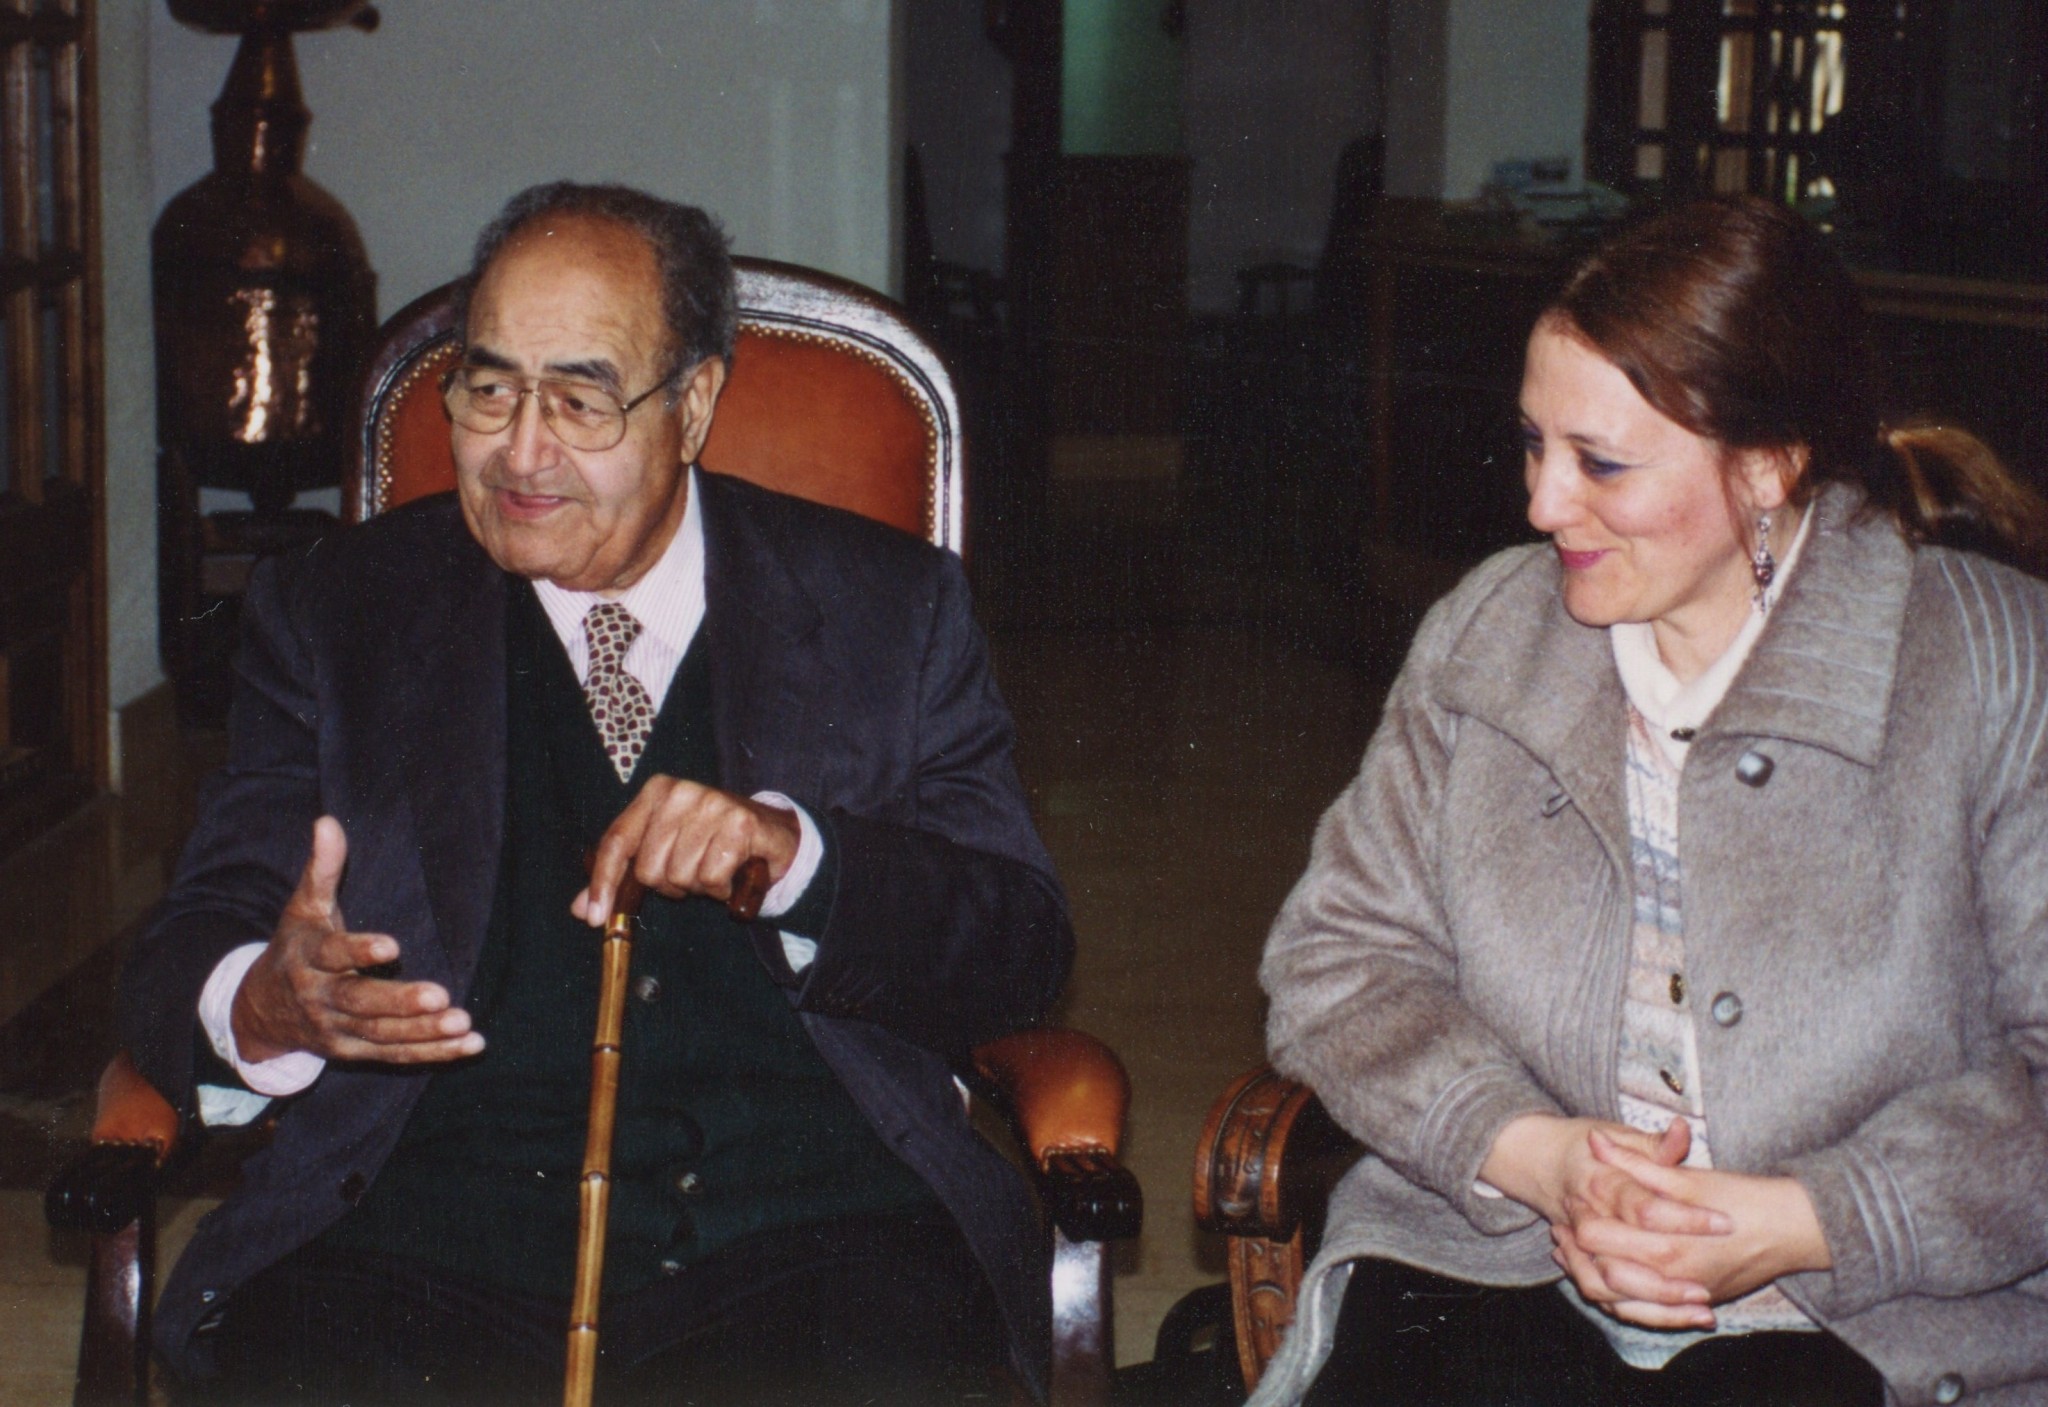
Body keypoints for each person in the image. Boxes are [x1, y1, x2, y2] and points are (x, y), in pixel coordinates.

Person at [117, 182, 1074, 1406]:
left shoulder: (889, 607)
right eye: (487, 387)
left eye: (578, 399)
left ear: (695, 403)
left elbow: (1022, 947)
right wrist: (263, 999)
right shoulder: (337, 613)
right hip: (417, 1242)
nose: (522, 451)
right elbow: (191, 938)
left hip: (815, 1238)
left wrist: (802, 860)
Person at [1254, 195, 2048, 1406]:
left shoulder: (1987, 664)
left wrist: (1807, 1218)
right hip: (1486, 1261)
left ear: (1770, 464)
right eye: (1531, 444)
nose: (1539, 505)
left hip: (1861, 1316)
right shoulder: (1488, 631)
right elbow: (1337, 958)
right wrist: (1537, 1156)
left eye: (1600, 464)